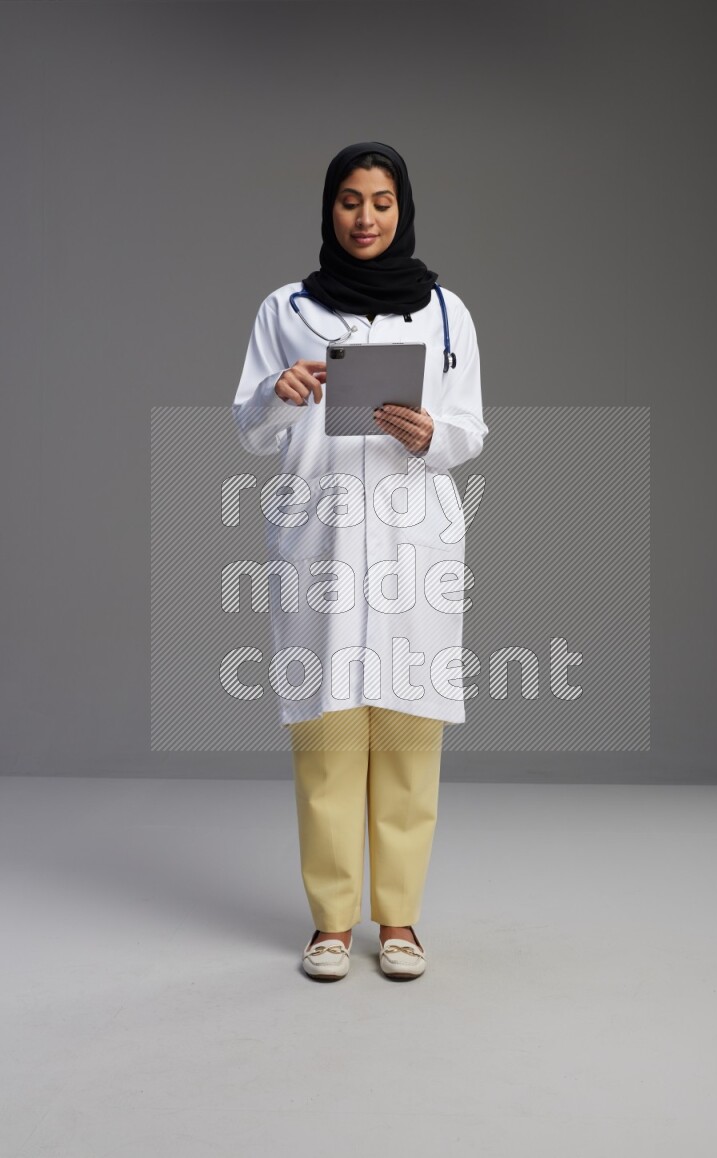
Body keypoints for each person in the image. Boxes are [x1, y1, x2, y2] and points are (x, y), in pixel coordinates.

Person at [231, 141, 488, 981]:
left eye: (381, 202)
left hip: (414, 543)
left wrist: (432, 435)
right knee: (328, 735)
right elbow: (250, 429)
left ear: (402, 209)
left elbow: (469, 431)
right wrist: (281, 393)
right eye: (350, 200)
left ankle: (401, 921)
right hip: (323, 539)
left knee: (410, 737)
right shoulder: (286, 309)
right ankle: (332, 924)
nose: (366, 217)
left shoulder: (446, 313)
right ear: (328, 210)